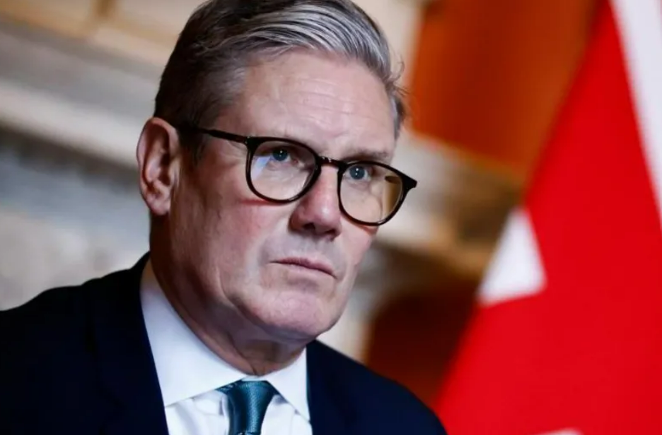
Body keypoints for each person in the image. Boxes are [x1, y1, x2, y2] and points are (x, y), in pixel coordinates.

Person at [0, 1, 447, 434]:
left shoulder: (405, 428)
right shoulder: (16, 380)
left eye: (360, 172)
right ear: (162, 166)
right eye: (280, 155)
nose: (325, 214)